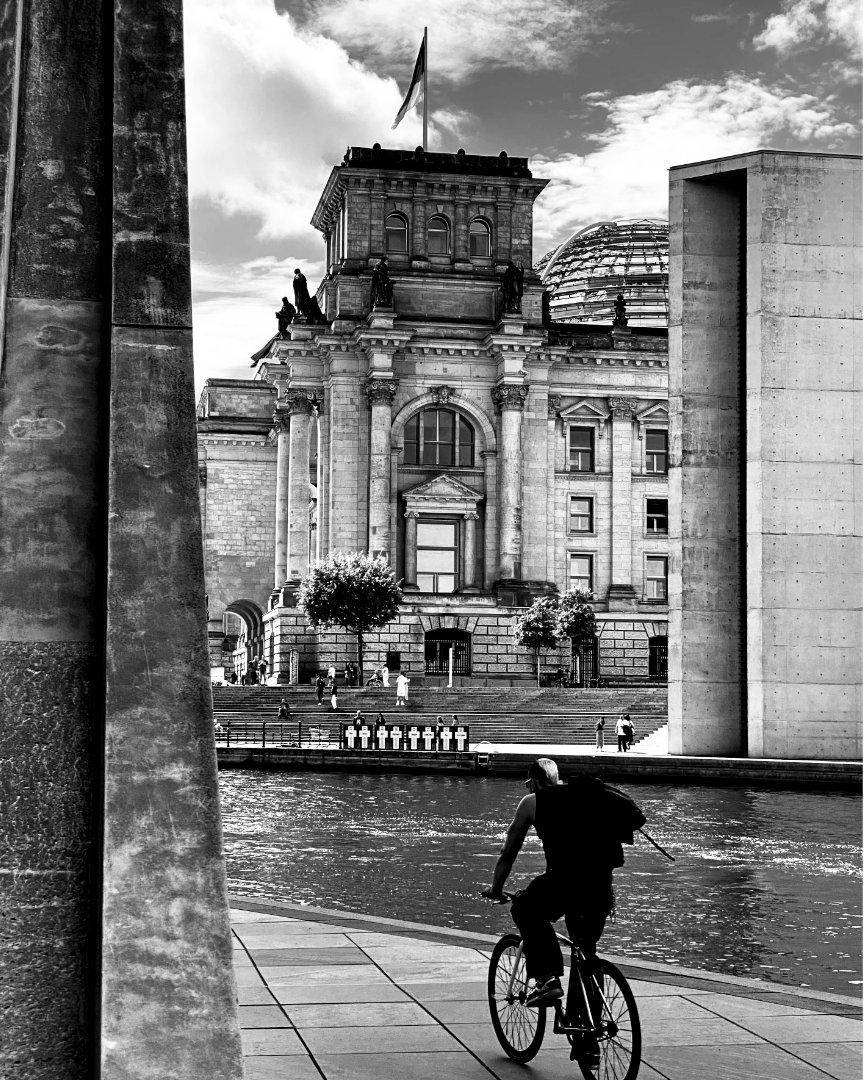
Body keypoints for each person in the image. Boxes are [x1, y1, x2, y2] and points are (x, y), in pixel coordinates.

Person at [482, 758, 645, 1050]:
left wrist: (496, 889)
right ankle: (588, 1041)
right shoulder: (587, 798)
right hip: (600, 888)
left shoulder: (532, 802)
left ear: (532, 782)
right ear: (557, 780)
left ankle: (546, 977)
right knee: (586, 954)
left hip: (564, 882)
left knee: (525, 908)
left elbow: (508, 853)